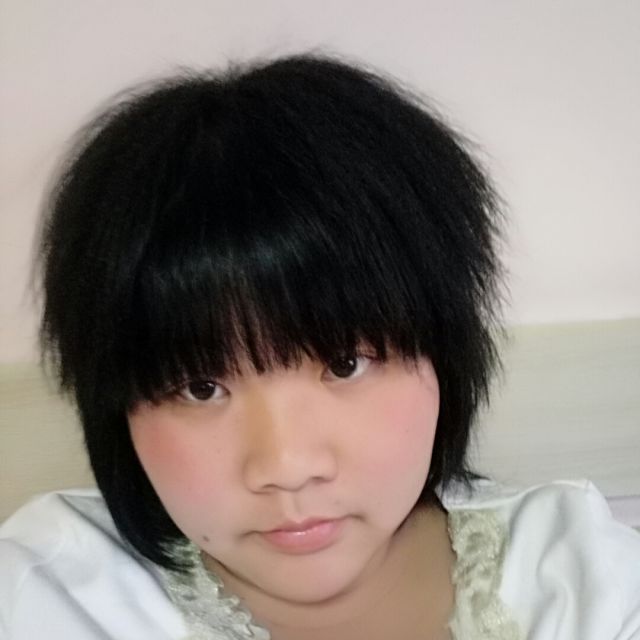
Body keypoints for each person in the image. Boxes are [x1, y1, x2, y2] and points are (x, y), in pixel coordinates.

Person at [1, 53, 639, 640]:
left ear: (444, 355)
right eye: (201, 387)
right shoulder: (52, 595)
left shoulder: (580, 575)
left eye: (344, 363)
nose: (287, 466)